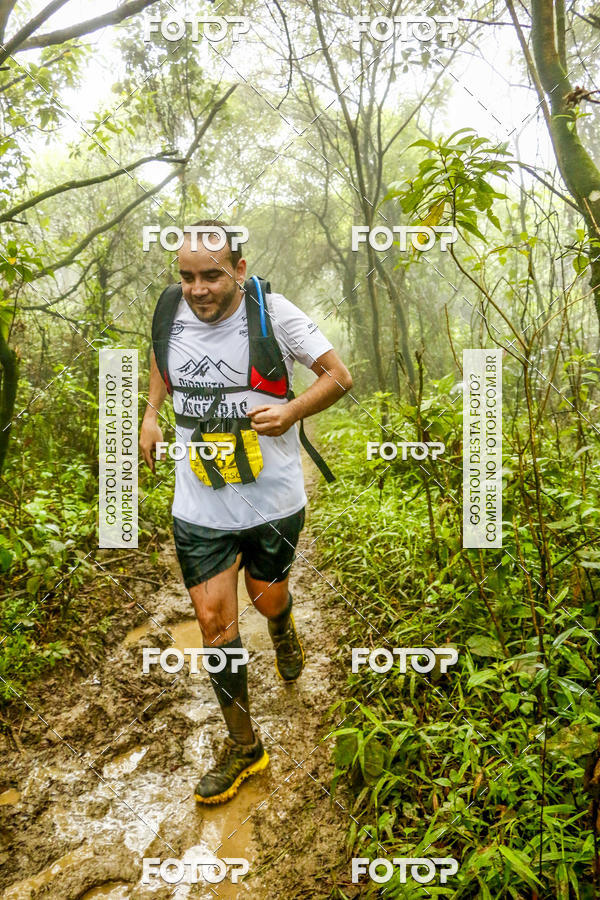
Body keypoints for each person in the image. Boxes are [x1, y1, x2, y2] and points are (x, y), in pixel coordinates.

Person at [139, 219, 352, 804]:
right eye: (187, 277)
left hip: (272, 496)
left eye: (211, 275)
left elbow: (338, 376)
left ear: (238, 268)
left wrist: (290, 413)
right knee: (214, 624)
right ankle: (244, 747)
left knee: (267, 596)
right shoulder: (170, 308)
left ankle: (282, 624)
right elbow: (164, 359)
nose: (198, 289)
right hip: (199, 500)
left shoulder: (273, 311)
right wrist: (152, 414)